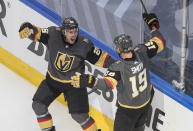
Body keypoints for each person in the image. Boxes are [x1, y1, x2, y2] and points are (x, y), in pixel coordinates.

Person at [70, 13, 165, 131]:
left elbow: (106, 85)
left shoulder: (118, 68)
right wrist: (153, 26)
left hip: (128, 111)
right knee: (139, 128)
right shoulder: (142, 51)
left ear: (119, 49)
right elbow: (160, 42)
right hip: (145, 104)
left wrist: (88, 80)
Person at [18, 17, 115, 131]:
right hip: (52, 81)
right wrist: (27, 26)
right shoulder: (53, 34)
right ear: (63, 31)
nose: (73, 35)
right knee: (38, 106)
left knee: (79, 116)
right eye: (70, 32)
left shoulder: (84, 44)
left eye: (75, 31)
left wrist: (119, 65)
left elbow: (102, 59)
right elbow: (35, 32)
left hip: (74, 84)